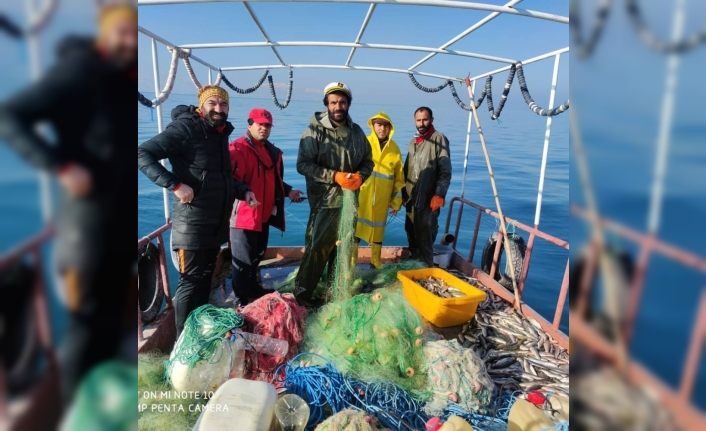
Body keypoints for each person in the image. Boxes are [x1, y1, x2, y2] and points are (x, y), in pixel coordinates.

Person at [0, 3, 137, 403]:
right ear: (105, 34)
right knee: (87, 321)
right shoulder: (79, 71)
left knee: (111, 318)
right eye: (122, 32)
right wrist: (60, 165)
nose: (130, 41)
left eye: (134, 32)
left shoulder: (122, 79)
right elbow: (11, 115)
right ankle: (73, 408)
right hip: (87, 226)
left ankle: (101, 400)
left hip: (117, 223)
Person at [138, 85, 241, 337]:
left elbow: (217, 177)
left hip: (214, 223)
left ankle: (200, 330)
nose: (219, 108)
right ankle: (184, 340)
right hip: (191, 224)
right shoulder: (186, 128)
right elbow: (143, 153)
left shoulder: (218, 133)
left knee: (205, 278)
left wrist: (243, 190)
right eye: (213, 103)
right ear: (201, 105)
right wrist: (174, 185)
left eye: (223, 104)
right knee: (190, 282)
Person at [294, 82, 373, 306]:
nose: (338, 106)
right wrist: (333, 176)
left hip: (349, 203)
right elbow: (303, 165)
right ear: (327, 104)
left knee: (342, 251)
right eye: (333, 102)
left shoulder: (356, 131)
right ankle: (303, 296)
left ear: (348, 104)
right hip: (324, 203)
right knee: (317, 250)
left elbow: (369, 161)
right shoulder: (314, 130)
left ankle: (333, 292)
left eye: (342, 102)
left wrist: (362, 176)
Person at [228, 108, 303, 305]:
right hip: (244, 217)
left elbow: (276, 181)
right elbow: (229, 181)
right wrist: (245, 192)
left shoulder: (272, 152)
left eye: (267, 125)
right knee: (242, 262)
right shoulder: (237, 149)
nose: (264, 128)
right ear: (249, 124)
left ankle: (253, 289)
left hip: (264, 216)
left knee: (256, 256)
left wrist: (289, 192)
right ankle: (242, 301)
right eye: (260, 124)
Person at [354, 112, 404, 269]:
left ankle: (375, 261)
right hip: (362, 198)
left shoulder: (395, 149)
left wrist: (396, 202)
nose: (382, 128)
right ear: (373, 126)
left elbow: (399, 179)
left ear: (390, 128)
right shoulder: (364, 143)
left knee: (378, 232)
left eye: (385, 125)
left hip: (382, 201)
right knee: (355, 231)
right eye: (379, 124)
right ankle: (351, 262)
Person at [403, 106, 452, 266]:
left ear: (431, 120)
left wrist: (439, 194)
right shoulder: (413, 142)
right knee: (411, 233)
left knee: (425, 239)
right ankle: (414, 268)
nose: (421, 123)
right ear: (414, 121)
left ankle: (426, 270)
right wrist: (402, 195)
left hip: (428, 201)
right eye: (418, 120)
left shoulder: (439, 138)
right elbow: (406, 169)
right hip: (411, 201)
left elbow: (445, 171)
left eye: (425, 119)